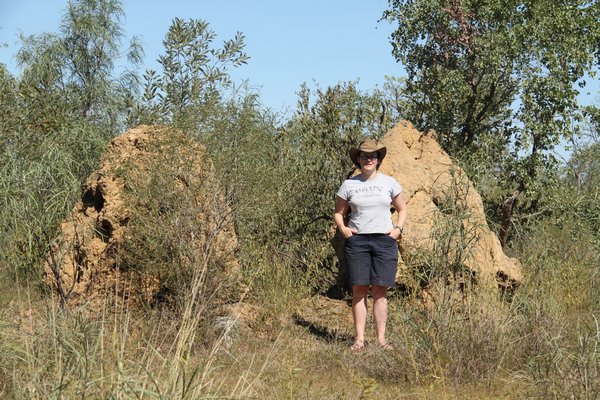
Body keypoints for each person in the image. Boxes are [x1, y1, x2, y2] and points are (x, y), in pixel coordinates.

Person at [334, 139, 408, 352]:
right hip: (357, 242)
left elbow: (402, 209)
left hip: (384, 241)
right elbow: (339, 213)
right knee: (359, 290)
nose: (368, 159)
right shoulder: (349, 185)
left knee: (380, 291)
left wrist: (398, 230)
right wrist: (343, 229)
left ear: (378, 160)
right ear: (358, 159)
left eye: (373, 156)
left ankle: (382, 340)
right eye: (364, 155)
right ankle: (359, 340)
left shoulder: (389, 182)